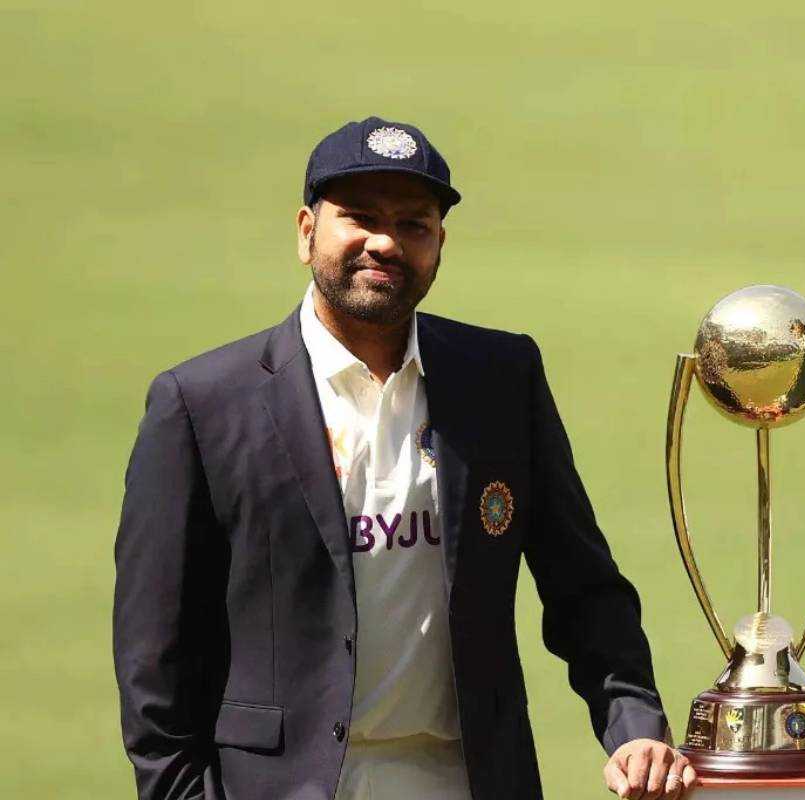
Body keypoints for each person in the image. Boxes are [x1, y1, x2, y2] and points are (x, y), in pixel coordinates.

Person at [112, 116, 695, 800]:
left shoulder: (501, 378)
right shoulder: (203, 404)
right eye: (358, 217)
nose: (384, 243)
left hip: (468, 779)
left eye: (413, 225)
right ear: (306, 232)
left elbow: (584, 589)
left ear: (439, 244)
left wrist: (634, 726)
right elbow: (155, 656)